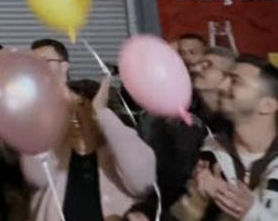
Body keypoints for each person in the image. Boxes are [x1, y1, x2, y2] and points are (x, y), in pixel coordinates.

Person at [24, 39, 156, 221]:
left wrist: (102, 113)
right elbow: (35, 176)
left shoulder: (117, 149)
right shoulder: (54, 151)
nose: (75, 117)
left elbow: (142, 182)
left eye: (82, 106)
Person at [127, 47, 237, 221]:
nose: (195, 68)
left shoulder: (236, 129)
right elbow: (167, 181)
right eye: (198, 64)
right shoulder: (179, 123)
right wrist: (146, 211)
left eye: (207, 65)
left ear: (229, 78)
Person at [170, 56, 278, 220]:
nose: (221, 86)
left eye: (235, 81)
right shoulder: (208, 151)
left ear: (267, 105)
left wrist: (251, 213)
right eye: (225, 78)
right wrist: (196, 203)